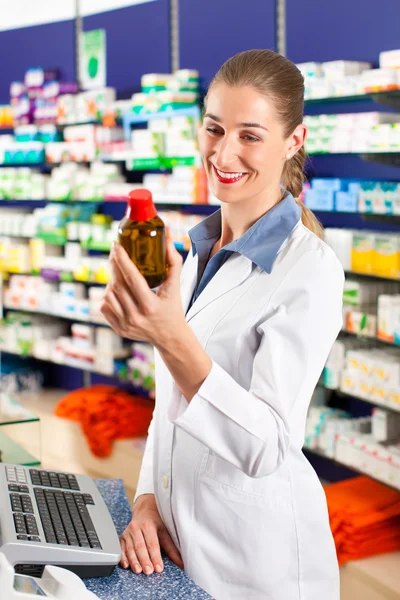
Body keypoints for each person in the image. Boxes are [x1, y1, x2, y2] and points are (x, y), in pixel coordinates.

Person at [101, 49, 344, 600]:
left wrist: (168, 334)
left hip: (260, 565)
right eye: (214, 128)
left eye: (250, 135)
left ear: (294, 142)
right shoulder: (194, 250)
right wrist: (146, 501)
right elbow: (170, 408)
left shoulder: (310, 269)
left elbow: (267, 446)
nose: (224, 151)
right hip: (176, 541)